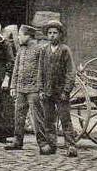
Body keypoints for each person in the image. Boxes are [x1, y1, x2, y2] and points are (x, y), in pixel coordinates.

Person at [38, 20, 78, 157]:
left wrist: (66, 90)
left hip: (61, 92)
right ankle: (51, 145)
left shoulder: (65, 50)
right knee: (48, 120)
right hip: (47, 91)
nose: (52, 36)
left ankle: (71, 146)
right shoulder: (44, 50)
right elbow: (40, 71)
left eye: (55, 33)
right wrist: (41, 89)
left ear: (60, 35)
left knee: (65, 119)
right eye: (50, 33)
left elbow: (70, 72)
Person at [6, 25, 47, 153]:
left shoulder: (39, 49)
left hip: (34, 89)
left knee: (37, 117)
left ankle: (42, 143)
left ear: (28, 35)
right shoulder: (21, 50)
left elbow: (42, 70)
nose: (18, 37)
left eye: (20, 34)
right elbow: (16, 69)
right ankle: (17, 141)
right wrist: (13, 86)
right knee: (18, 116)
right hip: (20, 88)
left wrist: (40, 88)